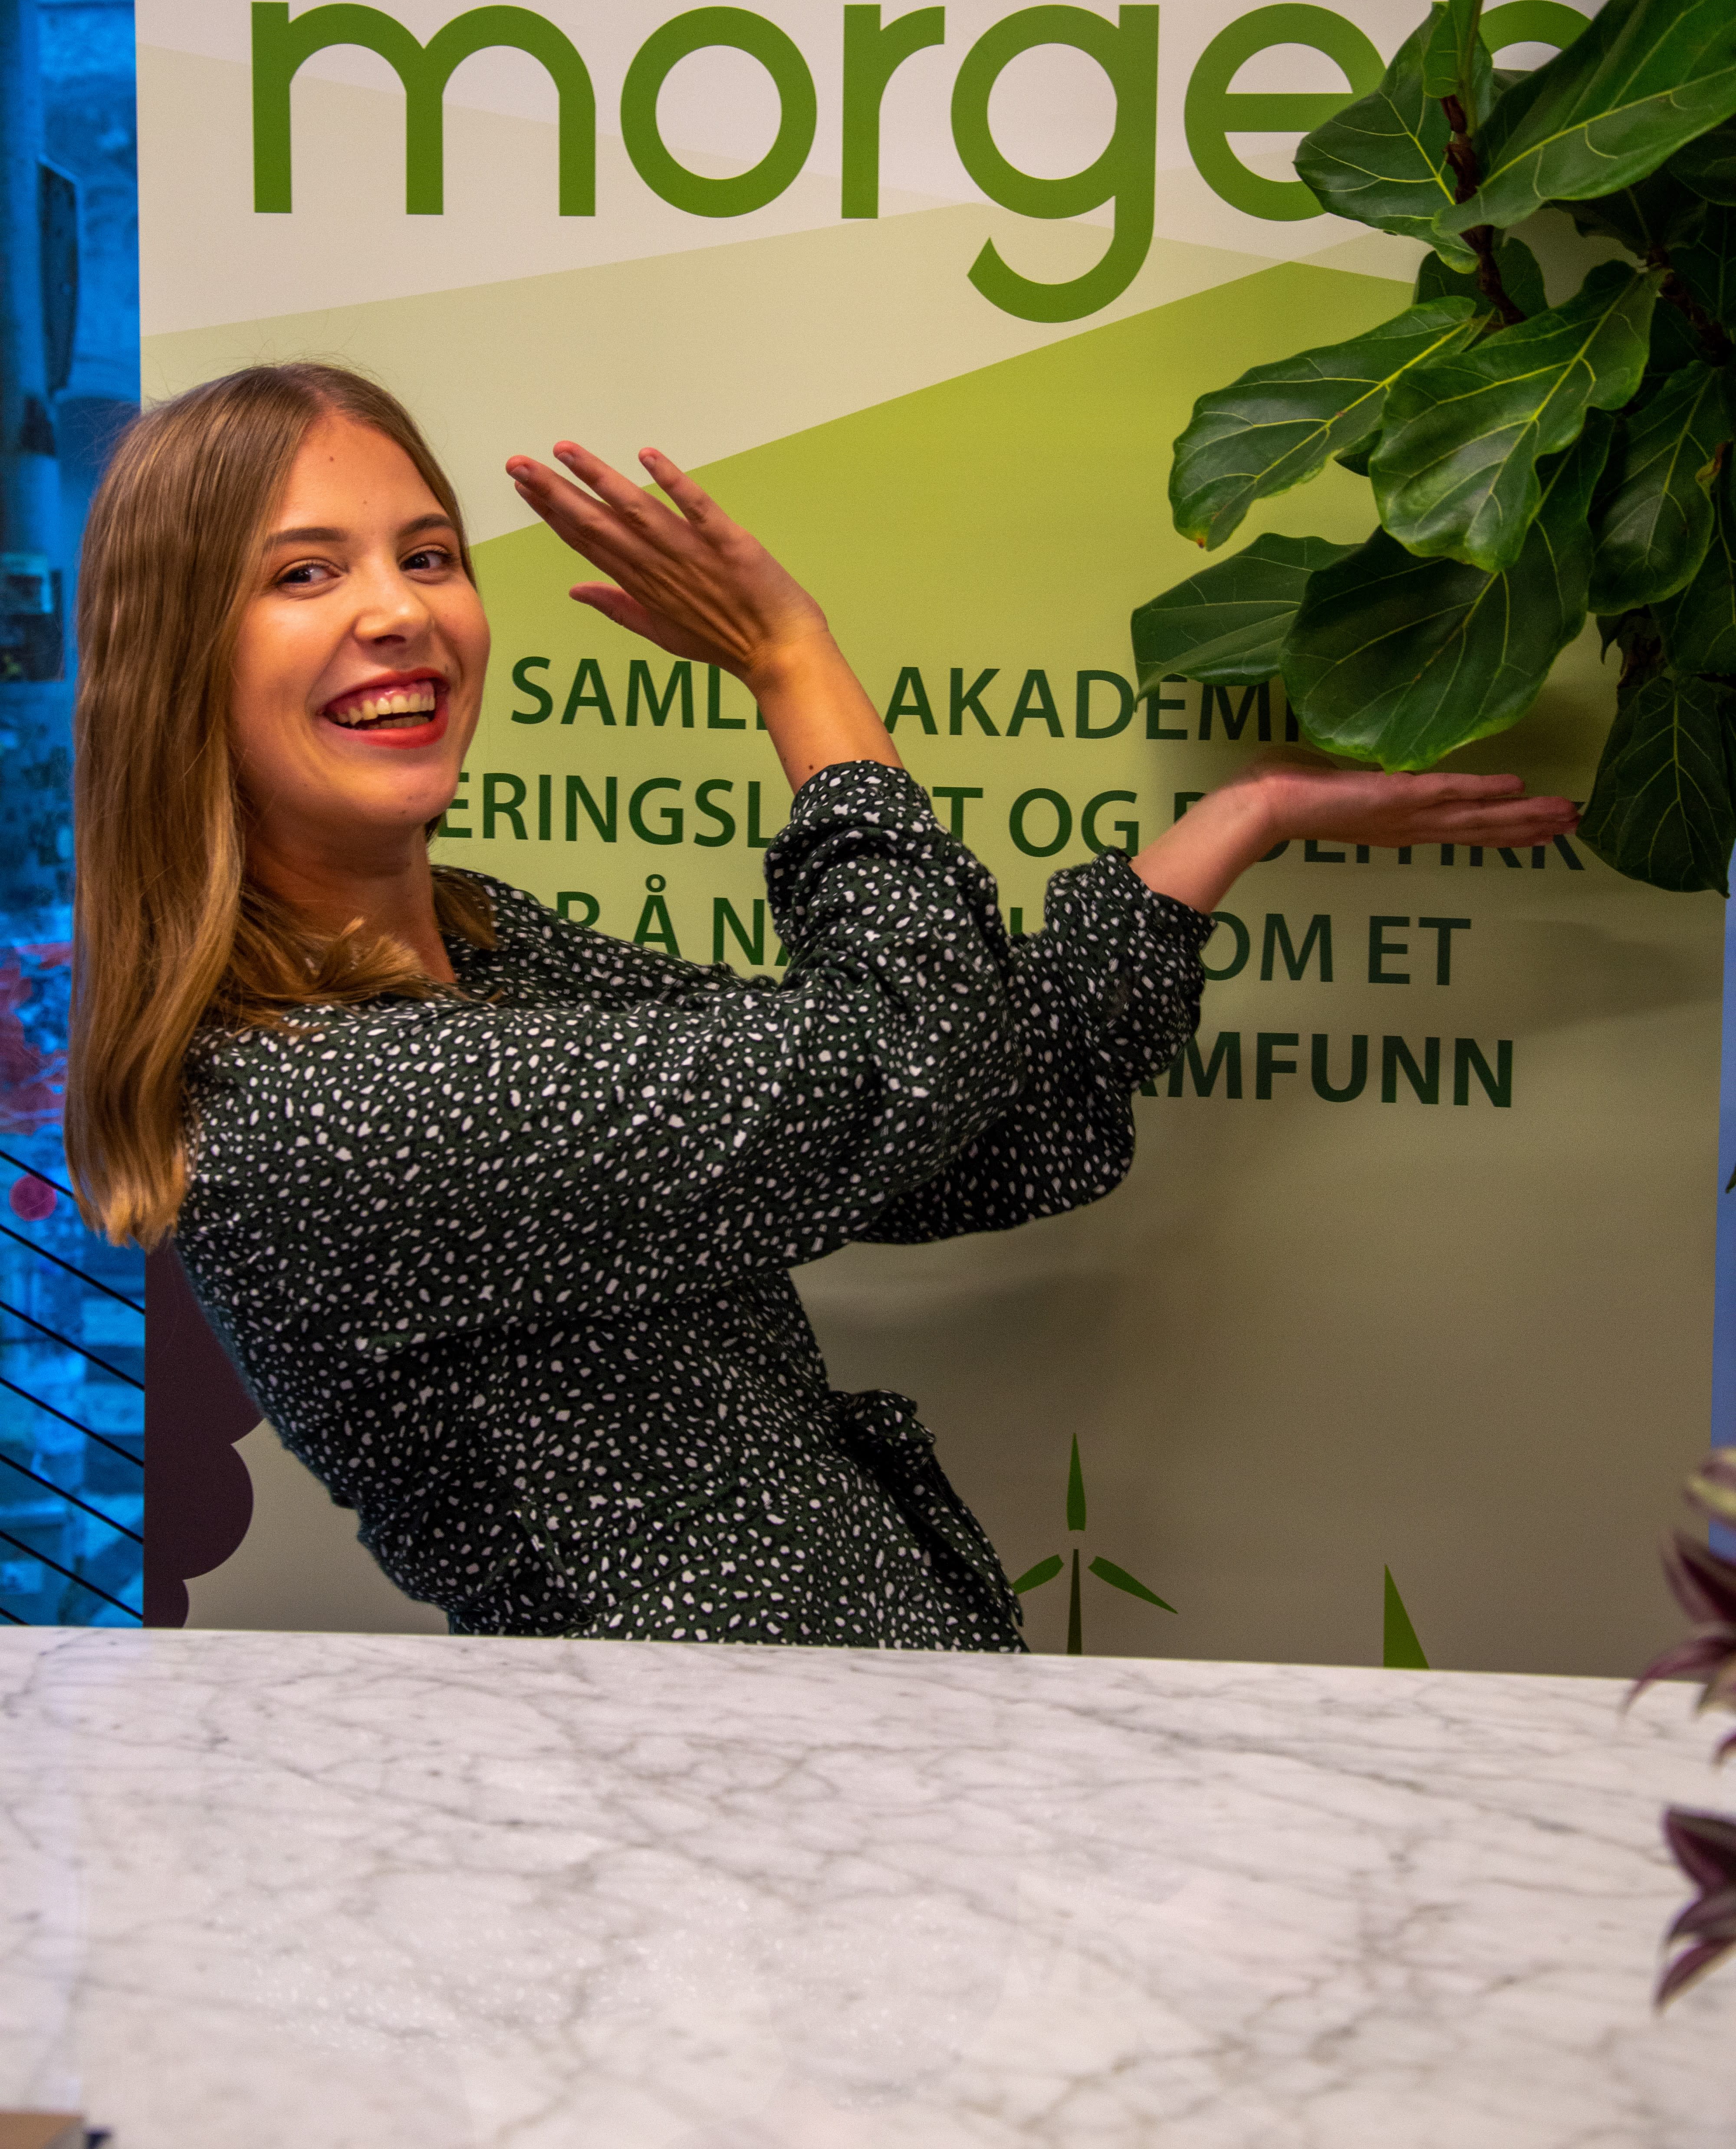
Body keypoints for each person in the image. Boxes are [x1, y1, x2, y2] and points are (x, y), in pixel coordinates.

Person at [66, 364, 1577, 1646]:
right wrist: (795, 666)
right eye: (305, 574)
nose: (399, 611)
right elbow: (900, 1061)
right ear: (179, 660)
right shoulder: (319, 1102)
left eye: (431, 555)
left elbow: (972, 1129)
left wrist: (1230, 827)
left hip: (858, 1748)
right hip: (722, 1806)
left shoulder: (485, 946)